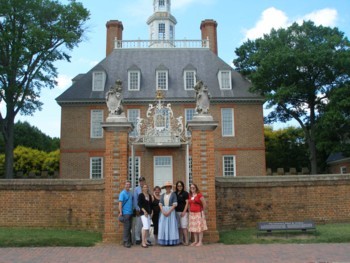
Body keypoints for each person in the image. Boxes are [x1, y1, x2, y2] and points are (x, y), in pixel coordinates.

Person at [158, 181, 180, 246]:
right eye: (166, 187)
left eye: (169, 187)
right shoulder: (162, 195)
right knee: (164, 225)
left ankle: (171, 241)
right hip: (163, 212)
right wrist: (163, 211)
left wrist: (169, 212)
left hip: (171, 211)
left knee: (171, 225)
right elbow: (160, 204)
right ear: (165, 188)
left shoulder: (173, 194)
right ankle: (164, 240)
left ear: (170, 187)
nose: (168, 188)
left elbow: (175, 204)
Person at [118, 181, 133, 248]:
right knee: (126, 228)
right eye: (127, 184)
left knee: (129, 227)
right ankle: (126, 242)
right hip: (125, 213)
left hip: (130, 213)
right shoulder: (122, 193)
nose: (128, 186)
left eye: (129, 185)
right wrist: (121, 212)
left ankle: (129, 241)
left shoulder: (130, 193)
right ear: (124, 185)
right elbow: (120, 203)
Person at [138, 184, 153, 248]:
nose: (146, 188)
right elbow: (139, 204)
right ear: (142, 188)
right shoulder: (141, 195)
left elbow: (150, 205)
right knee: (145, 226)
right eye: (144, 187)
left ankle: (146, 241)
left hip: (149, 213)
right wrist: (144, 211)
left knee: (148, 227)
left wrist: (151, 212)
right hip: (143, 213)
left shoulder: (149, 195)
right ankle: (143, 242)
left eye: (147, 187)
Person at [175, 180, 189, 245]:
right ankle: (180, 240)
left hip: (184, 212)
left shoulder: (185, 193)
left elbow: (187, 203)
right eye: (178, 186)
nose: (179, 187)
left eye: (180, 186)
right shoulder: (175, 193)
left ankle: (186, 240)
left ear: (182, 186)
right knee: (179, 227)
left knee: (184, 227)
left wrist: (184, 211)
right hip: (176, 212)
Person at [133, 176, 146, 245]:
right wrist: (136, 209)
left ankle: (144, 238)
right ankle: (137, 238)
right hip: (139, 209)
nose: (142, 182)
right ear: (139, 182)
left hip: (145, 210)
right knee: (138, 225)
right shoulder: (136, 189)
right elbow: (135, 200)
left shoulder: (146, 189)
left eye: (143, 181)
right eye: (140, 181)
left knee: (145, 225)